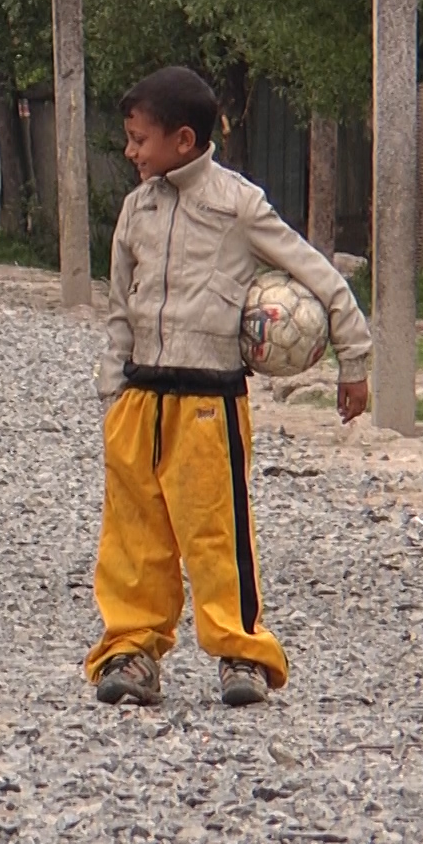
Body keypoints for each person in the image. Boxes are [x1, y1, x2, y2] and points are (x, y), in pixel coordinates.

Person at [88, 66, 373, 709]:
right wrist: (112, 399)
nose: (130, 152)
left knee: (218, 534)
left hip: (208, 406)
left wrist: (353, 359)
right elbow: (117, 311)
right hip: (140, 400)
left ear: (183, 140)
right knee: (133, 536)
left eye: (139, 140)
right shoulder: (135, 211)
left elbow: (320, 278)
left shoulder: (239, 206)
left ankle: (241, 652)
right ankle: (131, 650)